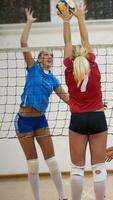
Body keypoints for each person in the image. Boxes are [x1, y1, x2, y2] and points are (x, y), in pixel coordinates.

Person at [15, 8, 69, 200]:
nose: (49, 57)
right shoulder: (33, 69)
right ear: (38, 59)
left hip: (40, 121)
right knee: (33, 165)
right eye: (45, 55)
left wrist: (90, 103)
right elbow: (23, 43)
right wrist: (29, 21)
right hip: (24, 121)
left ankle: (62, 197)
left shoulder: (53, 79)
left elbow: (68, 98)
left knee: (52, 162)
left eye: (51, 56)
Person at [58, 3, 108, 200]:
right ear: (86, 56)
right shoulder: (93, 65)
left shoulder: (69, 68)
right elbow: (85, 38)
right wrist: (79, 17)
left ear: (72, 57)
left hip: (77, 119)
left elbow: (67, 42)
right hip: (97, 118)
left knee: (77, 168)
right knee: (99, 168)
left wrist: (65, 21)